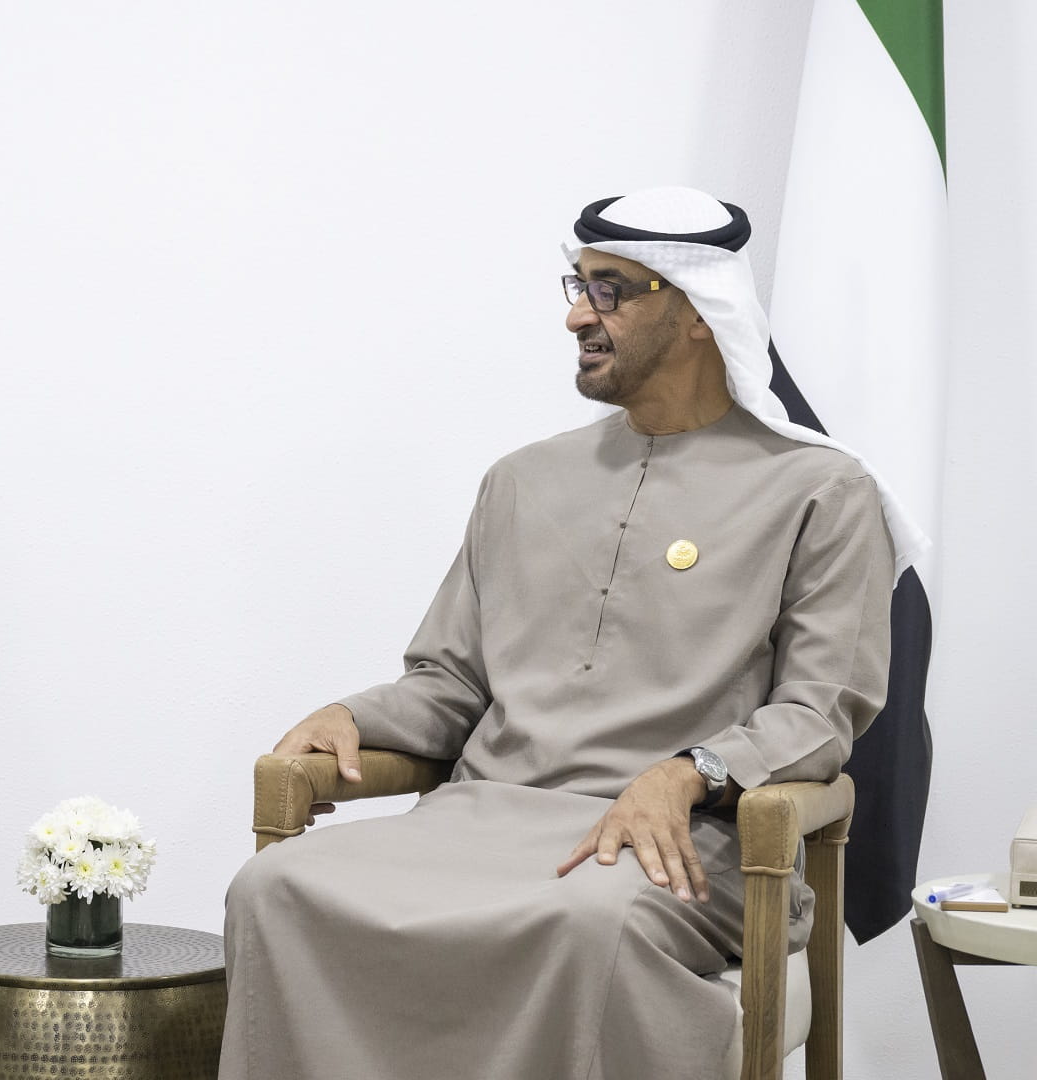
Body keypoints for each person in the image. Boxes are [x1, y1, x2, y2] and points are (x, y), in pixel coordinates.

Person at [220, 187, 915, 1079]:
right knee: (275, 886)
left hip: (683, 841)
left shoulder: (822, 490)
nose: (578, 315)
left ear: (697, 313)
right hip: (481, 819)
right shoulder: (522, 480)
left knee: (595, 922)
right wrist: (351, 715)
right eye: (578, 285)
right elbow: (451, 684)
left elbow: (821, 714)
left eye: (610, 290)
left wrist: (689, 772)